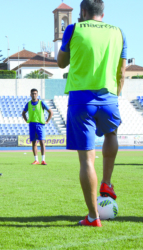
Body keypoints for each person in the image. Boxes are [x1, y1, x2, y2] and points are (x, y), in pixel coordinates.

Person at [57, 0, 127, 227]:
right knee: (111, 135)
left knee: (87, 159)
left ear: (83, 12)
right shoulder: (118, 32)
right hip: (109, 97)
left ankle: (93, 217)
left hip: (81, 99)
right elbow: (122, 72)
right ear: (103, 13)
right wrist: (115, 95)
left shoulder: (73, 29)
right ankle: (107, 182)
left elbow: (60, 63)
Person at [22, 89, 53, 165]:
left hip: (40, 125)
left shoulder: (41, 103)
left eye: (35, 93)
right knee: (34, 143)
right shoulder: (28, 104)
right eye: (32, 94)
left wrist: (47, 121)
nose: (34, 95)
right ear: (30, 95)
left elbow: (50, 112)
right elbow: (23, 113)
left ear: (37, 94)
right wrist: (26, 120)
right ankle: (36, 160)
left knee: (42, 142)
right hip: (32, 125)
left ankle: (43, 160)